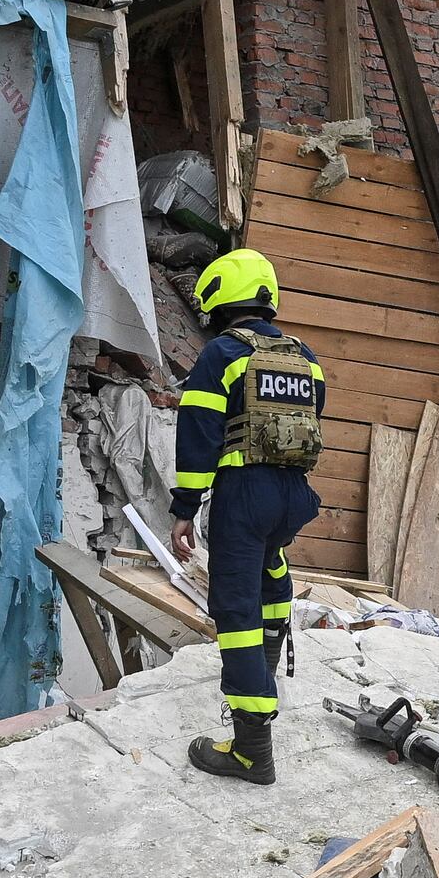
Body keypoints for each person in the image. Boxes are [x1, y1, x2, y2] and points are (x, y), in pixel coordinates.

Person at [172, 249, 330, 785]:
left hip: (245, 494)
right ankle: (266, 662)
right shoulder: (305, 357)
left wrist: (184, 509)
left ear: (220, 298)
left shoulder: (221, 354)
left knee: (234, 607)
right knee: (271, 570)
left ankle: (250, 748)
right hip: (292, 496)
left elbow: (197, 435)